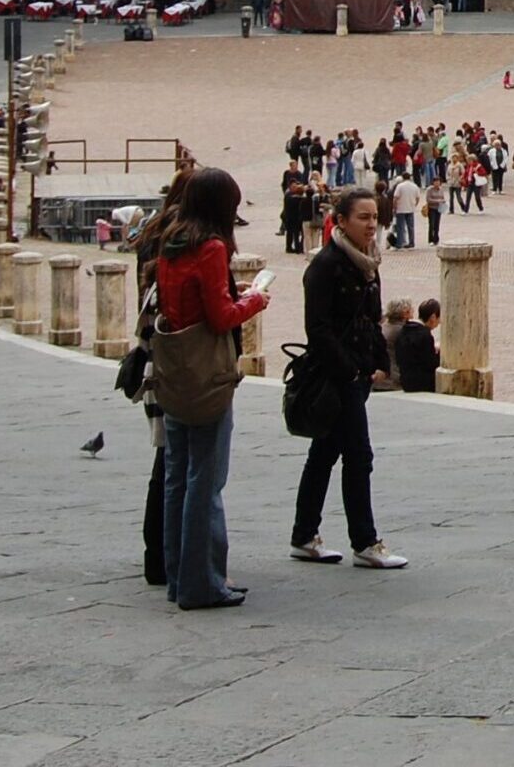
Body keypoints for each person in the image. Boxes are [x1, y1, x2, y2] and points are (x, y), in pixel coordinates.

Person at [153, 169, 272, 609]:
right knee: (206, 479)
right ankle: (202, 583)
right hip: (206, 372)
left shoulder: (171, 241)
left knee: (176, 477)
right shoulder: (212, 245)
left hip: (174, 368)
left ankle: (178, 578)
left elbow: (186, 302)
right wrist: (254, 300)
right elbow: (221, 318)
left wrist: (229, 292)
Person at [291, 185, 408, 570]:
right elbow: (318, 329)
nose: (371, 224)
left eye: (375, 217)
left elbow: (370, 319)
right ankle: (365, 541)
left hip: (356, 372)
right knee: (359, 455)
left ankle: (304, 535)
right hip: (336, 375)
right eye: (363, 217)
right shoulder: (325, 266)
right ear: (341, 221)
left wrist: (380, 360)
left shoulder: (369, 263)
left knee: (324, 453)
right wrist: (352, 369)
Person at [392, 300, 440, 394]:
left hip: (406, 381)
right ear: (433, 317)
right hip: (422, 383)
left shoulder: (403, 331)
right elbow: (430, 363)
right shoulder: (425, 335)